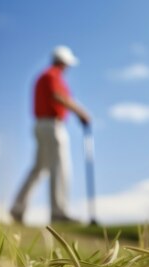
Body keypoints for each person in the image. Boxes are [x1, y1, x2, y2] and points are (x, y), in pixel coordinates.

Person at [10, 46, 91, 224]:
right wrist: (80, 112)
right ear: (64, 63)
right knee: (60, 167)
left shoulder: (44, 76)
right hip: (52, 126)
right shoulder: (52, 75)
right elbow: (58, 96)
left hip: (40, 125)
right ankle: (58, 212)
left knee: (39, 168)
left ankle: (17, 208)